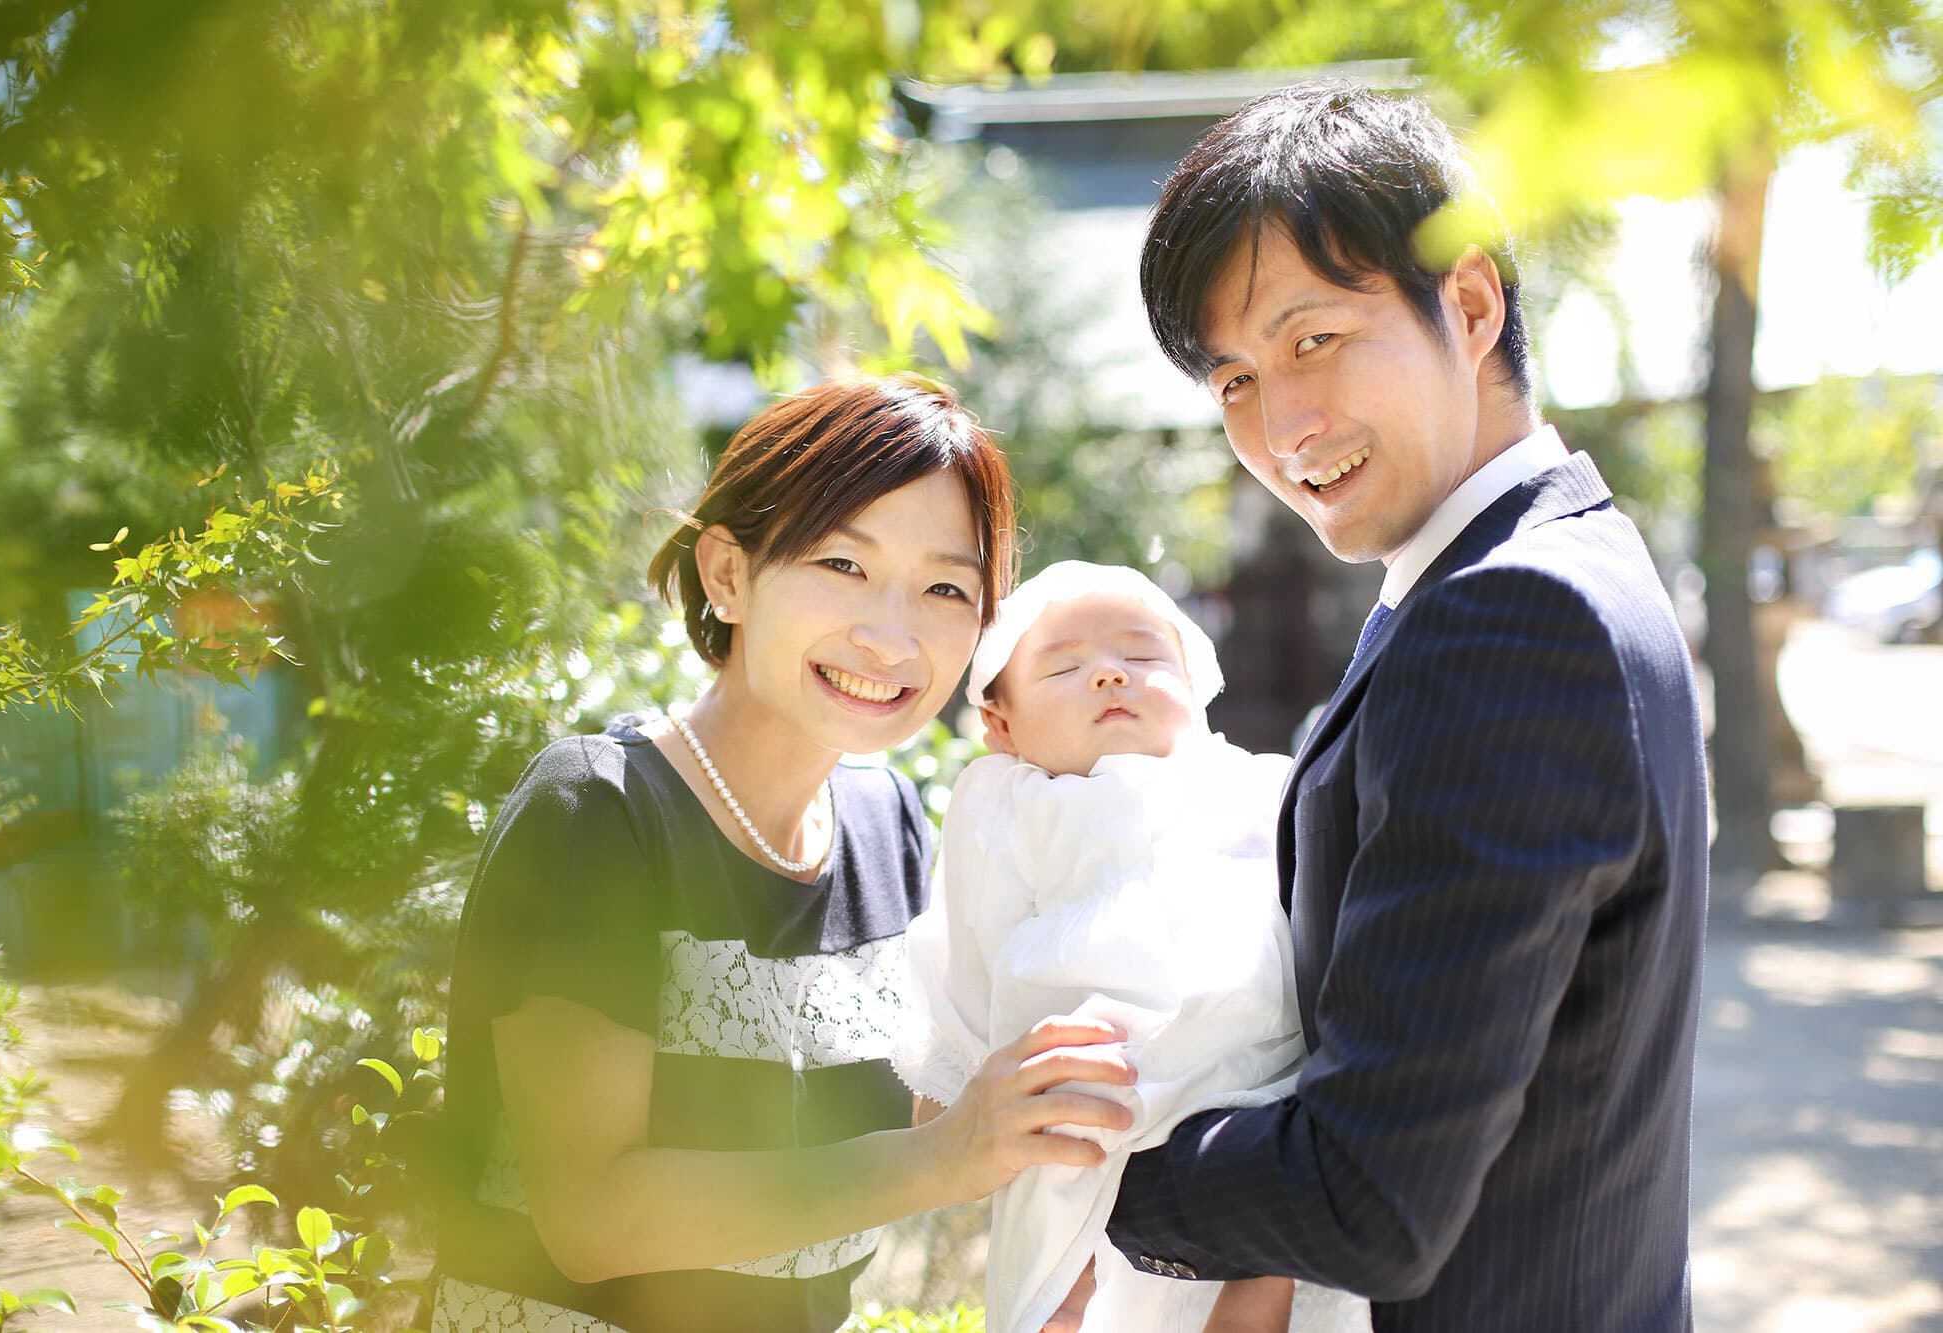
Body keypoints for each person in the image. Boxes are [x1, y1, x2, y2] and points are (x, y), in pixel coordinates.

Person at [1101, 82, 1710, 1332]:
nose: (1282, 427)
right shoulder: (1564, 558)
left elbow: (1370, 1195)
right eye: (1233, 380)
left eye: (1312, 339)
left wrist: (1080, 1172)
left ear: (1470, 304)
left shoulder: (1506, 618)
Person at [431, 374, 1137, 1333]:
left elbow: (935, 1123)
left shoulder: (886, 821)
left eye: (943, 587)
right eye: (844, 566)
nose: (890, 635)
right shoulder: (601, 813)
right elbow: (593, 1216)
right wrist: (947, 1156)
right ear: (728, 573)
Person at [893, 560, 1369, 1333]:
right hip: (1086, 1077)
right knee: (1062, 1221)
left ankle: (1260, 1294)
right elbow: (962, 945)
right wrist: (948, 1090)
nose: (1111, 675)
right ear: (1003, 724)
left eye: (1144, 657)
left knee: (1275, 1241)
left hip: (1243, 1068)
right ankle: (1064, 1297)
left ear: (1195, 683)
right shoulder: (1006, 800)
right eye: (1065, 666)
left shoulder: (1254, 784)